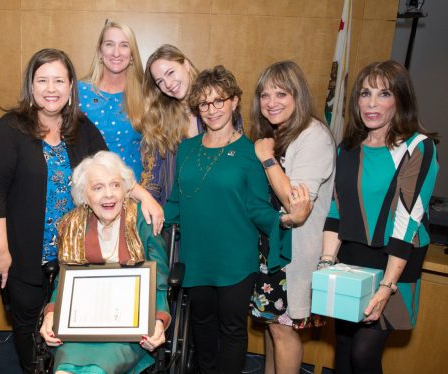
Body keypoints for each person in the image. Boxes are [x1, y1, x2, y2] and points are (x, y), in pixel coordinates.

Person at [0, 48, 164, 373]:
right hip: (22, 252)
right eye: (42, 80)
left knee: (69, 327)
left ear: (70, 88)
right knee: (29, 326)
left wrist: (142, 196)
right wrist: (0, 250)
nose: (51, 88)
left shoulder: (80, 127)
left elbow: (109, 169)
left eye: (59, 81)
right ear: (31, 86)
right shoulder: (10, 129)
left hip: (74, 253)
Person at [164, 65, 310, 373]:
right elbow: (175, 203)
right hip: (196, 256)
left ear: (234, 102)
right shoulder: (187, 149)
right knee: (201, 327)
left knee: (232, 330)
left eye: (220, 100)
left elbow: (257, 207)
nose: (212, 109)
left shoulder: (249, 152)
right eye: (204, 103)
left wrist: (282, 221)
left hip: (235, 259)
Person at [321, 60, 438, 373]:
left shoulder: (417, 147)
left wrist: (387, 287)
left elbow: (407, 219)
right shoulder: (347, 148)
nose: (371, 103)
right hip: (350, 258)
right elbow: (335, 211)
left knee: (363, 353)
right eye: (365, 93)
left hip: (394, 260)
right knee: (344, 350)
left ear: (399, 99)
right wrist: (326, 262)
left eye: (383, 94)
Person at [39, 151, 169, 373]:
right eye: (98, 188)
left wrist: (158, 321)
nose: (109, 195)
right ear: (84, 195)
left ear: (125, 189)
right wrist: (50, 314)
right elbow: (64, 281)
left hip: (126, 331)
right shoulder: (73, 225)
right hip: (81, 330)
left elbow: (158, 282)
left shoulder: (141, 220)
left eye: (115, 185)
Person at [249, 61, 335, 374]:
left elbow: (294, 204)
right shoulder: (277, 133)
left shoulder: (313, 135)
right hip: (271, 250)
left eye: (281, 94)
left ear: (297, 96)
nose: (271, 102)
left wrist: (268, 158)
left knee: (284, 330)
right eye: (265, 95)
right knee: (274, 328)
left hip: (293, 253)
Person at [79, 21, 145, 180]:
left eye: (124, 45)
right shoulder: (77, 92)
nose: (116, 52)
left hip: (133, 189)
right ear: (100, 51)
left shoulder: (146, 94)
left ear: (132, 54)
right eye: (109, 44)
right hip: (89, 190)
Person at [140, 44, 201, 205]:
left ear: (186, 64)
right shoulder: (159, 119)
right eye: (160, 81)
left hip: (216, 213)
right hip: (173, 222)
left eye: (171, 73)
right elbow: (152, 179)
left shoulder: (218, 106)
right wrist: (149, 207)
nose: (168, 84)